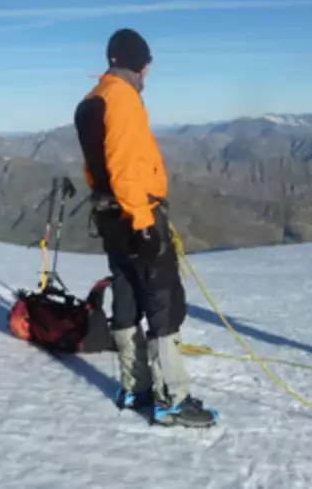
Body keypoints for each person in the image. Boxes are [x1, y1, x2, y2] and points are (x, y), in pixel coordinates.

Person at [73, 28, 218, 428]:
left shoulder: (92, 100)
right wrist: (142, 222)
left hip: (108, 214)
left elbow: (95, 168)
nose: (147, 75)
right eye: (147, 66)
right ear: (140, 63)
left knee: (125, 292)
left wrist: (115, 209)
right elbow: (123, 165)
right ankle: (173, 398)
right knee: (162, 298)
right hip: (136, 211)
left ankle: (135, 388)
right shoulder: (122, 99)